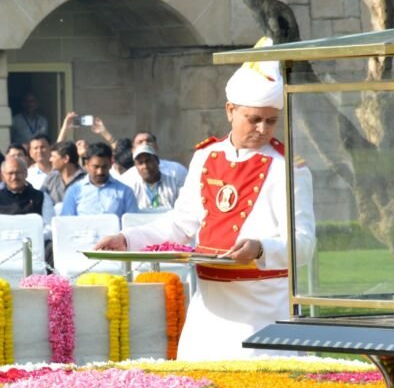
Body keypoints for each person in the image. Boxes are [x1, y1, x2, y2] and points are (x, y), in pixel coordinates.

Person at [94, 47, 316, 360]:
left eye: (271, 121)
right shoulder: (205, 156)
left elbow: (304, 244)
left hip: (264, 311)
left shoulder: (288, 167)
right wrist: (127, 238)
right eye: (253, 119)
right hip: (207, 311)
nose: (263, 129)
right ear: (230, 111)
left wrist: (261, 248)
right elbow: (180, 225)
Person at [0, 156, 54, 240]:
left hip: (36, 244)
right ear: (3, 176)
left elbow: (50, 227)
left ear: (26, 173)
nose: (14, 177)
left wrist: (32, 237)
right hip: (4, 244)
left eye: (18, 173)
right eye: (10, 173)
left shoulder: (41, 197)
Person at [61, 142, 137, 217]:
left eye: (104, 167)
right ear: (86, 164)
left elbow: (132, 222)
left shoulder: (125, 192)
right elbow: (66, 222)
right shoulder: (74, 191)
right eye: (95, 167)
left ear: (111, 164)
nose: (100, 172)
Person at [121, 143, 184, 211]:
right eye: (140, 163)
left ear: (157, 161)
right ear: (135, 166)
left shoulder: (173, 182)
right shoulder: (131, 186)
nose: (145, 166)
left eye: (148, 161)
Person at [44, 141, 86, 208]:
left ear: (65, 158)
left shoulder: (86, 179)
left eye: (53, 157)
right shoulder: (50, 178)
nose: (50, 160)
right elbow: (41, 198)